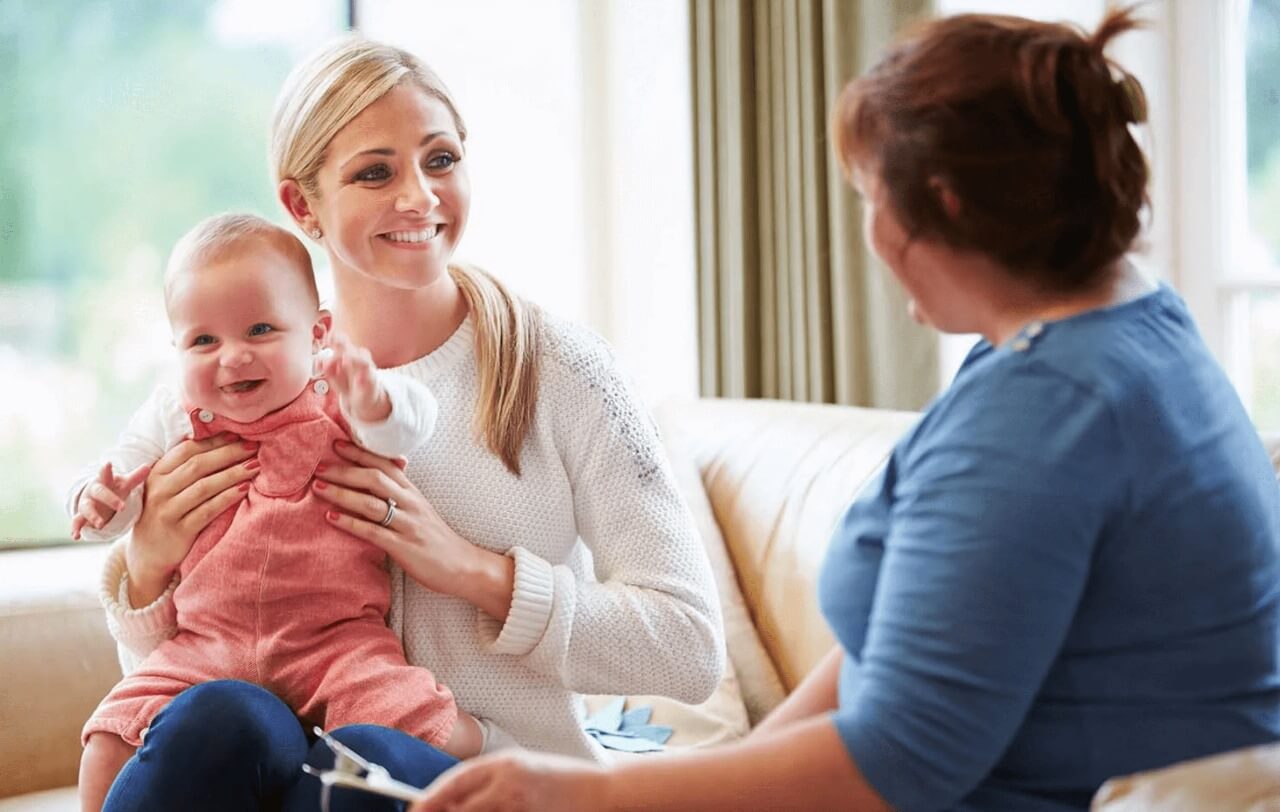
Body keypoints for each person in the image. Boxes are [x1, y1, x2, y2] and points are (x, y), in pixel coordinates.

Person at [408, 8, 1280, 811]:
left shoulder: (1043, 418)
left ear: (943, 203)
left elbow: (896, 759)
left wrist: (595, 797)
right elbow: (894, 662)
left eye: (870, 198)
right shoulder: (1122, 327)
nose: (870, 236)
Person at [90, 35, 724, 812]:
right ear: (301, 205)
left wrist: (474, 572)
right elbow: (166, 694)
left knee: (362, 762)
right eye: (375, 172)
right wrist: (147, 568)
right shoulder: (237, 377)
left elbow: (691, 648)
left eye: (441, 159)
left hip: (485, 778)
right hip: (265, 770)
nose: (420, 197)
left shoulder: (561, 371)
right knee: (217, 718)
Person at [71, 213, 490, 812]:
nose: (232, 357)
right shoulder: (172, 416)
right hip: (206, 646)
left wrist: (374, 398)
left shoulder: (342, 400)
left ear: (318, 333)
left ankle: (485, 747)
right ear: (176, 349)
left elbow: (410, 424)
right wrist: (97, 499)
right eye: (203, 341)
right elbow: (122, 481)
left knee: (422, 722)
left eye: (260, 330)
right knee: (110, 735)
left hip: (332, 643)